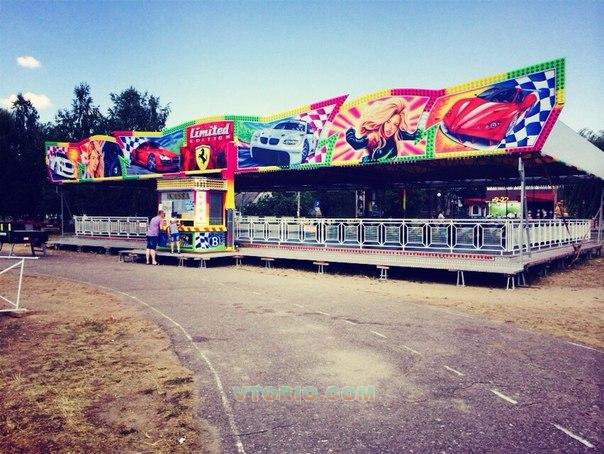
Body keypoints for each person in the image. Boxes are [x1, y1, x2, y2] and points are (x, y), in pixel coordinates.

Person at [345, 98, 420, 162]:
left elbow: (415, 136)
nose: (390, 128)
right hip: (371, 168)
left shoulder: (397, 134)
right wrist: (350, 134)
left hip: (390, 169)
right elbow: (356, 145)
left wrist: (423, 118)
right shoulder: (374, 137)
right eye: (388, 122)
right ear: (383, 121)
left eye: (395, 124)